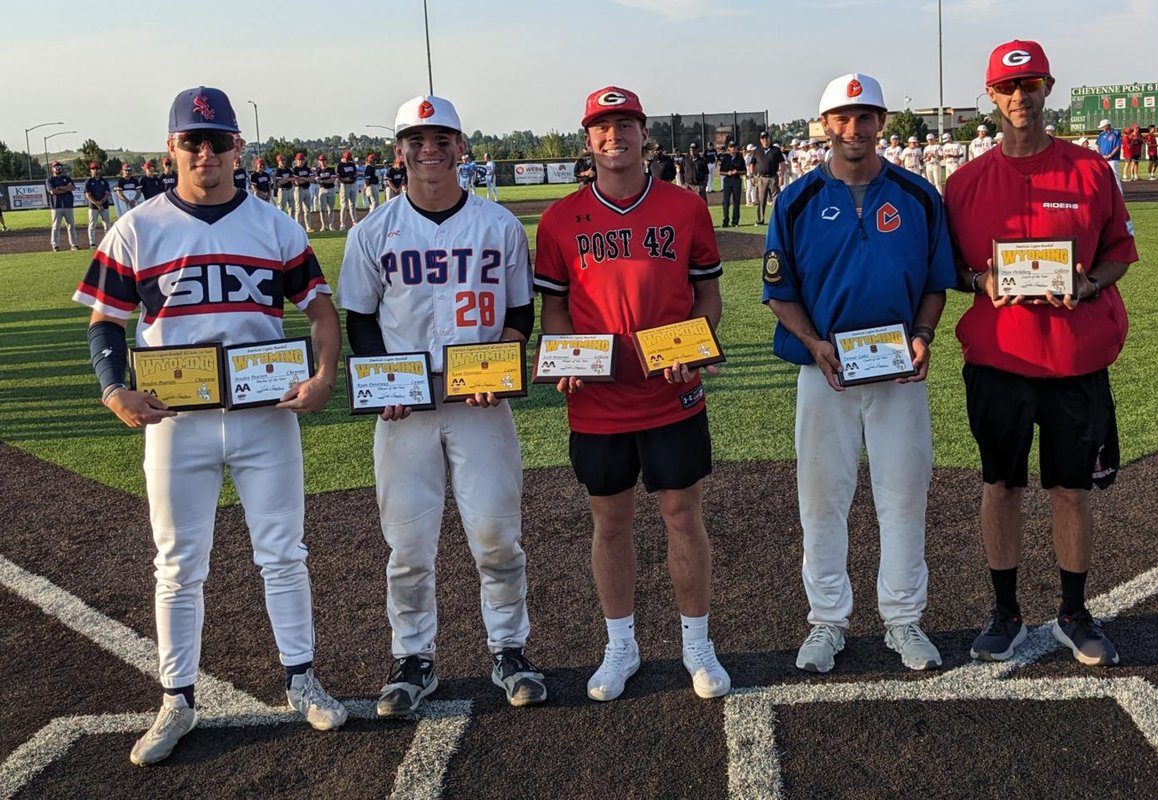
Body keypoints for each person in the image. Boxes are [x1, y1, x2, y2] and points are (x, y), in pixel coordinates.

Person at [72, 85, 347, 766]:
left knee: (283, 553)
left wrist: (322, 377)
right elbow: (105, 319)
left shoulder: (275, 225)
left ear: (237, 148)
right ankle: (176, 697)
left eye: (217, 141)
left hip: (263, 416)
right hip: (176, 419)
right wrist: (114, 390)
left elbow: (318, 312)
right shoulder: (138, 226)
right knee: (176, 564)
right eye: (192, 142)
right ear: (171, 150)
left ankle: (302, 678)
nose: (206, 153)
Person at [337, 93, 546, 717]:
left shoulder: (498, 225)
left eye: (441, 139)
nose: (430, 150)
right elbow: (361, 319)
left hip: (480, 402)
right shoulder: (372, 230)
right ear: (399, 152)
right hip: (407, 412)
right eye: (417, 141)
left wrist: (504, 365)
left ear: (461, 148)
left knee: (496, 535)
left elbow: (519, 312)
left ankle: (510, 648)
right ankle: (413, 658)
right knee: (408, 546)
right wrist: (384, 384)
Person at [944, 40, 1138, 668]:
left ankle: (1073, 612)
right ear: (991, 96)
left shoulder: (1089, 169)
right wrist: (980, 282)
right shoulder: (965, 182)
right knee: (1000, 485)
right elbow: (949, 264)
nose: (1020, 97)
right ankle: (1005, 610)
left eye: (1031, 85)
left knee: (1070, 490)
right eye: (1007, 87)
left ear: (1048, 88)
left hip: (1075, 361)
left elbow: (1118, 253)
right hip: (999, 361)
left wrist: (1088, 284)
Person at [534, 85, 730, 702]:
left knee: (681, 515)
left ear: (645, 133)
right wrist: (567, 356)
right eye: (601, 126)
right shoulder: (559, 218)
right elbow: (555, 309)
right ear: (587, 138)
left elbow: (708, 296)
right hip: (597, 401)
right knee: (610, 522)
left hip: (671, 395)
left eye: (624, 124)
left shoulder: (685, 206)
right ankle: (621, 644)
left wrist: (695, 345)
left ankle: (696, 643)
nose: (613, 135)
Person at [763, 73, 953, 674]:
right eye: (842, 118)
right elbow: (778, 291)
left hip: (898, 374)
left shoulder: (920, 196)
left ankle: (903, 619)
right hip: (826, 374)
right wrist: (814, 343)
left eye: (865, 116)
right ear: (826, 126)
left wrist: (922, 336)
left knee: (903, 496)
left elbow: (933, 282)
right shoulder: (794, 200)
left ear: (882, 123)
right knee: (822, 501)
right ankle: (826, 621)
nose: (854, 128)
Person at [747, 130, 784, 225]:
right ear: (760, 140)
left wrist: (781, 175)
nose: (765, 140)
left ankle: (776, 220)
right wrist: (751, 176)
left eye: (766, 138)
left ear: (769, 139)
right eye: (763, 138)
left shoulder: (776, 150)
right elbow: (752, 164)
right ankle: (760, 219)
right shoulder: (757, 151)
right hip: (762, 178)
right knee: (761, 199)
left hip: (773, 177)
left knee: (776, 199)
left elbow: (782, 163)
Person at [47, 161, 79, 251]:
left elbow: (72, 187)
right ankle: (55, 245)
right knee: (56, 227)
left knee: (71, 226)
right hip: (56, 206)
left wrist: (60, 188)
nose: (58, 168)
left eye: (59, 166)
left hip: (68, 205)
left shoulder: (67, 178)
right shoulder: (50, 179)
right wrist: (66, 189)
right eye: (55, 167)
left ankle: (74, 244)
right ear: (52, 169)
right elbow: (53, 191)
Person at [83, 161, 112, 247]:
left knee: (107, 224)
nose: (96, 170)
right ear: (90, 171)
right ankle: (92, 243)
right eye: (93, 169)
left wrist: (101, 202)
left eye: (97, 169)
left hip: (104, 205)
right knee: (92, 225)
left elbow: (107, 193)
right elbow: (88, 195)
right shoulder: (88, 182)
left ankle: (108, 242)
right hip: (93, 206)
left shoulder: (104, 181)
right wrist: (97, 204)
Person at [718, 139, 746, 227]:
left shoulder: (740, 158)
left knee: (736, 201)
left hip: (736, 180)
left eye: (734, 147)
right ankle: (725, 220)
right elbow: (720, 171)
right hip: (727, 180)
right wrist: (727, 173)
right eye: (731, 147)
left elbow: (745, 171)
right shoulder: (726, 158)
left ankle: (735, 221)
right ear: (728, 148)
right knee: (725, 201)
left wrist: (737, 172)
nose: (733, 148)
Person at [1096, 119, 1122, 188]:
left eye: (1103, 126)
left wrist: (1110, 155)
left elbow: (1118, 146)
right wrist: (1101, 156)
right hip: (1103, 159)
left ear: (1107, 125)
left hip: (1113, 159)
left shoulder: (1116, 134)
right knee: (1103, 178)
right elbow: (1098, 146)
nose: (1102, 128)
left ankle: (1119, 195)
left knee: (1115, 177)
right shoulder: (1101, 135)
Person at [315, 154, 338, 230]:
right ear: (319, 161)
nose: (322, 162)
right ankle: (323, 225)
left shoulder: (331, 169)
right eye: (321, 160)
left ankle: (331, 225)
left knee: (331, 208)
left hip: (331, 189)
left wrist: (322, 180)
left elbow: (332, 180)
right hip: (322, 190)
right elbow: (317, 181)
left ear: (326, 161)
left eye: (323, 160)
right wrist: (324, 181)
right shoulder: (318, 170)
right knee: (322, 209)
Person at [292, 151, 314, 232]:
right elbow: (297, 182)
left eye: (302, 159)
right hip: (299, 189)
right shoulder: (295, 169)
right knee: (298, 210)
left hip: (307, 189)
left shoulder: (307, 169)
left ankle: (308, 227)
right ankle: (298, 227)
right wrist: (306, 179)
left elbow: (312, 179)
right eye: (299, 160)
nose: (301, 161)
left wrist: (303, 179)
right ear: (296, 160)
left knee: (308, 209)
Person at [336, 150, 359, 228]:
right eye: (346, 158)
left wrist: (354, 179)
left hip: (353, 184)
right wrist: (345, 179)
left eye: (349, 158)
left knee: (353, 204)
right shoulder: (340, 165)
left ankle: (354, 221)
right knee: (344, 205)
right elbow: (338, 177)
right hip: (344, 185)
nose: (347, 159)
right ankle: (342, 223)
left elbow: (356, 174)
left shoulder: (352, 165)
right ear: (343, 157)